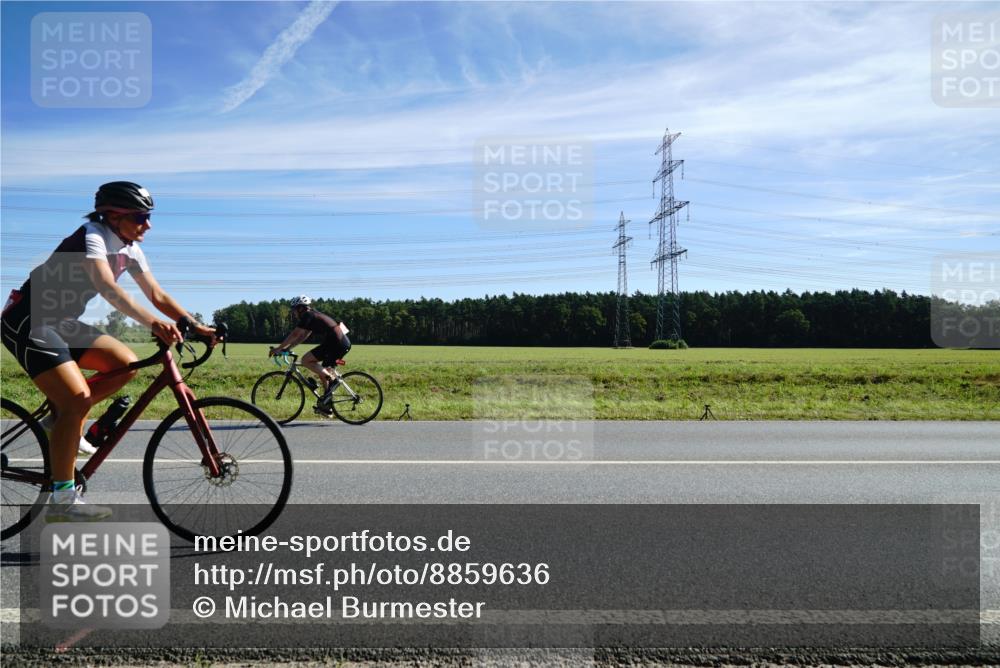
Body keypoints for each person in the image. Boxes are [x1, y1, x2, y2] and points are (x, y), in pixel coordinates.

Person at [1, 181, 217, 521]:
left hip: (62, 322)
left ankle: (56, 421)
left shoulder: (131, 249)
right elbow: (105, 285)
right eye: (141, 216)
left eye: (149, 216)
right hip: (29, 320)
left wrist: (194, 324)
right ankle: (62, 502)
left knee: (126, 362)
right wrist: (153, 324)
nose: (148, 224)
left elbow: (157, 295)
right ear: (114, 215)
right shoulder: (93, 236)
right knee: (76, 400)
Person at [269, 295, 350, 406]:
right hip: (337, 343)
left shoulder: (308, 315)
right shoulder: (312, 315)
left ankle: (333, 380)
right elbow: (302, 336)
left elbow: (295, 334)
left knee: (306, 360)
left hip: (336, 343)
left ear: (300, 308)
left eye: (294, 310)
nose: (294, 313)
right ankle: (326, 404)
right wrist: (287, 349)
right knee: (322, 371)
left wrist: (278, 349)